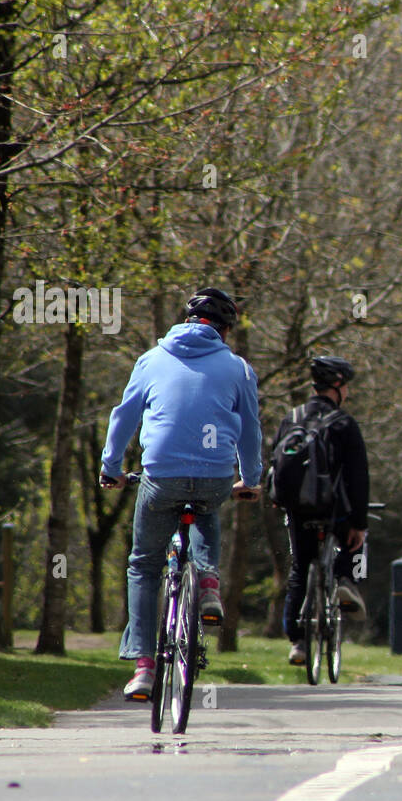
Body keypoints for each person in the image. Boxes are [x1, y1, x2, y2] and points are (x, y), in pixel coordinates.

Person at [100, 288, 263, 700]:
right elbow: (249, 429)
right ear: (225, 330)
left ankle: (143, 667)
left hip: (161, 475)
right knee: (208, 503)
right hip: (215, 476)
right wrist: (252, 477)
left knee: (143, 566)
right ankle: (208, 582)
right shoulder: (238, 368)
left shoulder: (152, 360)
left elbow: (124, 417)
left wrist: (110, 468)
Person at [277, 356, 371, 666]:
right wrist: (359, 522)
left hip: (298, 509)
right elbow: (358, 477)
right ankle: (345, 577)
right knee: (353, 539)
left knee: (300, 568)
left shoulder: (292, 417)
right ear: (339, 386)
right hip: (334, 510)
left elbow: (277, 464)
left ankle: (297, 642)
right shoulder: (343, 423)